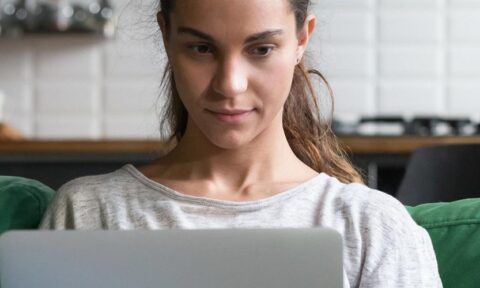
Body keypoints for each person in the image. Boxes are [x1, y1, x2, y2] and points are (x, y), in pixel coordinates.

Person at [39, 0, 442, 287]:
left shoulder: (372, 227)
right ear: (167, 37)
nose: (230, 84)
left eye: (262, 49)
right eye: (201, 48)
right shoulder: (90, 212)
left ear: (302, 39)